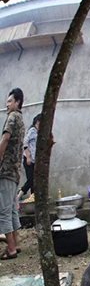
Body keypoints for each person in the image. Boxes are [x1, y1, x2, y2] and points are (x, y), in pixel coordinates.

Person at [0, 88, 25, 259]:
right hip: (16, 171)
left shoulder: (12, 117)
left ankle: (11, 249)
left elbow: (5, 138)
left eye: (10, 101)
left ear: (17, 102)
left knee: (4, 210)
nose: (7, 104)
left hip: (7, 170)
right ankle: (14, 243)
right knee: (13, 210)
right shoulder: (21, 119)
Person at [17, 113, 40, 202]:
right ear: (37, 122)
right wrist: (28, 157)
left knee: (34, 182)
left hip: (34, 160)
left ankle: (33, 199)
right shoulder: (32, 131)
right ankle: (18, 197)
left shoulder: (37, 132)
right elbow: (25, 143)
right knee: (30, 180)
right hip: (28, 160)